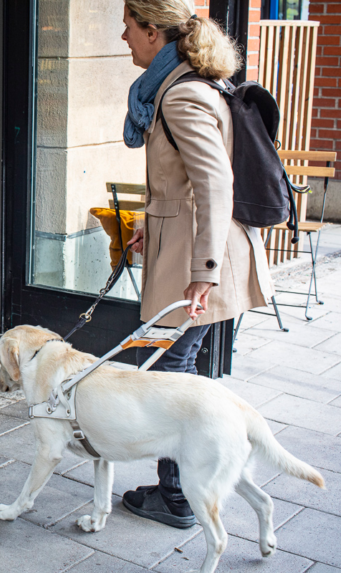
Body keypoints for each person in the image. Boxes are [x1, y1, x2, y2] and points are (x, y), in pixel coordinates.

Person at [119, 0, 274, 529]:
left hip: (199, 260)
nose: (123, 37)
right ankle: (187, 485)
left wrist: (203, 273)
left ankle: (179, 497)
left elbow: (214, 185)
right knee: (182, 372)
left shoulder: (181, 94)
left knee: (171, 374)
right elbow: (179, 182)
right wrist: (151, 219)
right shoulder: (177, 86)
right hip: (187, 245)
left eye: (129, 27)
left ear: (154, 32)